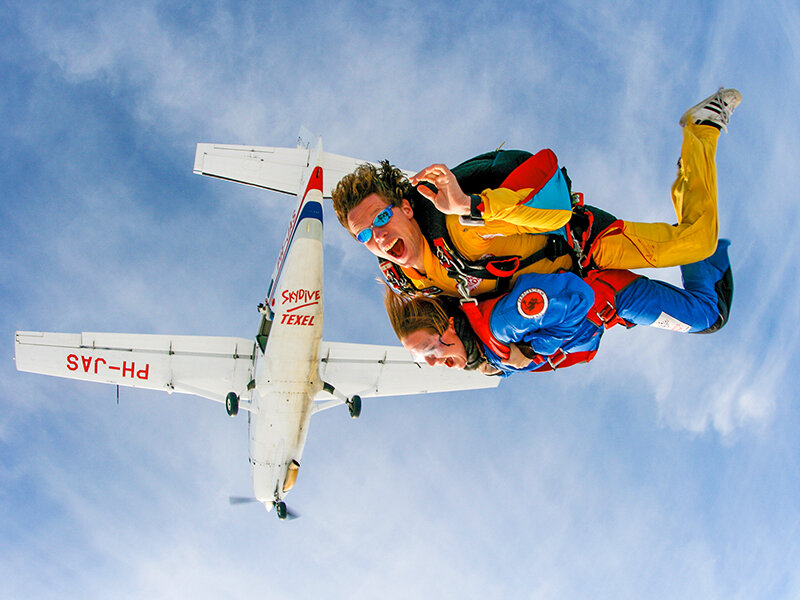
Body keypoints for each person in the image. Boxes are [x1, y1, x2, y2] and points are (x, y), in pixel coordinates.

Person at [332, 89, 741, 299]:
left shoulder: (461, 227)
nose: (379, 237)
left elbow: (555, 216)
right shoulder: (407, 280)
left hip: (591, 247)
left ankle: (700, 131)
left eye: (381, 218)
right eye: (365, 235)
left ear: (405, 207)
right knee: (704, 316)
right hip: (573, 291)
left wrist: (469, 206)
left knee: (697, 241)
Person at [384, 240, 732, 376]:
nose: (431, 362)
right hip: (609, 309)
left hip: (614, 295)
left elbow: (574, 296)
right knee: (704, 317)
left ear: (448, 327)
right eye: (421, 360)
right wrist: (500, 368)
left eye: (428, 350)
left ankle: (704, 244)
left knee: (706, 316)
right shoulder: (484, 346)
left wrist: (533, 351)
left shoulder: (503, 324)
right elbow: (510, 358)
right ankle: (699, 244)